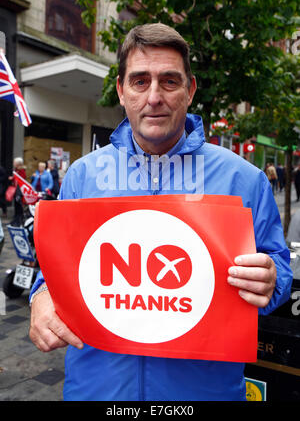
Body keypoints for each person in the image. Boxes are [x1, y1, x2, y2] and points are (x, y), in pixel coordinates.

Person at [29, 23, 292, 401]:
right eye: (139, 81)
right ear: (121, 90)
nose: (154, 97)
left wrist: (271, 282)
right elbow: (54, 271)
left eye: (169, 81)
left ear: (190, 90)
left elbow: (278, 267)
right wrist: (40, 297)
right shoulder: (82, 177)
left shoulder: (245, 180)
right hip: (99, 391)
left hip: (202, 392)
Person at [9, 157, 26, 226]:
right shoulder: (16, 170)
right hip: (16, 190)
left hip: (19, 191)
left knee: (19, 207)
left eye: (14, 162)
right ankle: (15, 220)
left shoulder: (22, 171)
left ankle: (19, 221)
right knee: (16, 206)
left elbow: (21, 180)